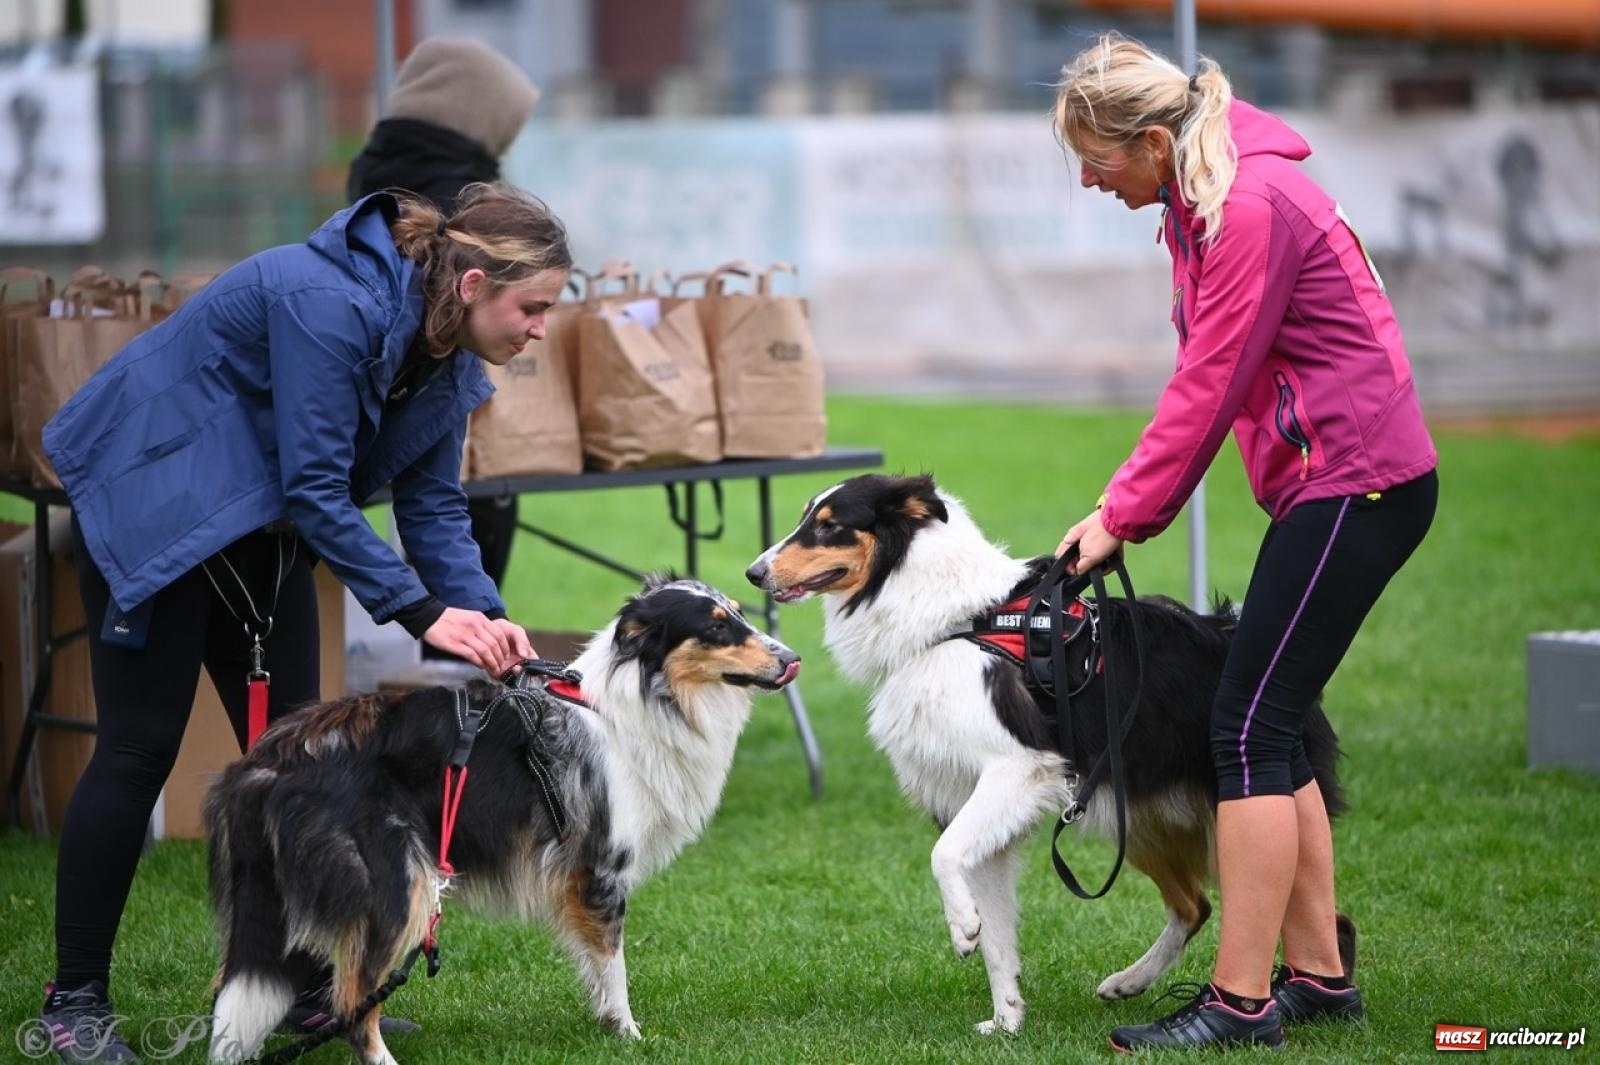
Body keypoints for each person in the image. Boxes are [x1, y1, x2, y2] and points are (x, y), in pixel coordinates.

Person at [36, 183, 570, 1062]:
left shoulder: (451, 359)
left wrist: (484, 618)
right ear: (474, 284)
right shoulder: (327, 301)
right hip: (156, 507)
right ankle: (75, 1000)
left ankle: (295, 986)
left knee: (301, 760)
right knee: (138, 749)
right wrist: (422, 612)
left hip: (262, 526)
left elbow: (433, 506)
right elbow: (317, 487)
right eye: (535, 307)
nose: (542, 328)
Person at [1053, 34, 1438, 1052]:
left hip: (1356, 485)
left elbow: (1207, 384)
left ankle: (1239, 1001)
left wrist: (1119, 515)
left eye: (1094, 160)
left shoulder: (1247, 206)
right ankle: (1319, 979)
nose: (1088, 181)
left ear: (1150, 143)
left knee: (1246, 731)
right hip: (1339, 485)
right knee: (1268, 722)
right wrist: (1125, 509)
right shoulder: (1205, 202)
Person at [347, 38, 544, 622]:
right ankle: (457, 644)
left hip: (379, 402)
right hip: (435, 395)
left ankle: (455, 635)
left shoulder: (375, 171)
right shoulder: (459, 199)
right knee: (459, 506)